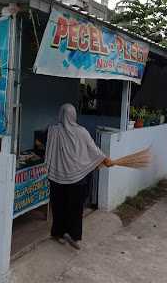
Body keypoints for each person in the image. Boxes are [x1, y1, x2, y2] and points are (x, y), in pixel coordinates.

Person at [45, 103, 112, 250]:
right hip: (77, 177)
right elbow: (93, 148)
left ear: (61, 114)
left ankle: (58, 233)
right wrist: (105, 159)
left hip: (57, 177)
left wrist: (47, 169)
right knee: (75, 208)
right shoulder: (82, 132)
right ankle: (73, 235)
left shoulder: (53, 130)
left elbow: (47, 151)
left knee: (58, 206)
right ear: (74, 115)